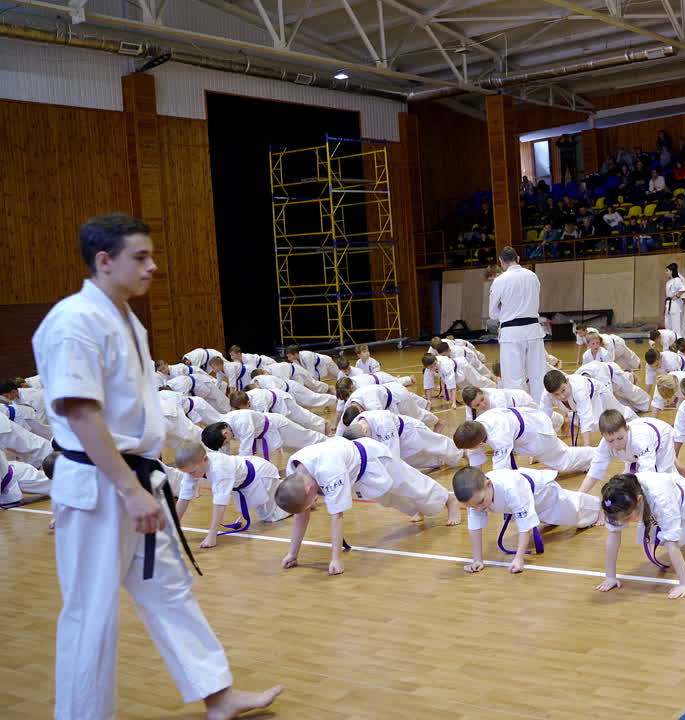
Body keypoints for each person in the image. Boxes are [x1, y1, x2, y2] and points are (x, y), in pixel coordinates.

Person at [32, 213, 282, 719]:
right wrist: (128, 489)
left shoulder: (125, 317)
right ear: (104, 261)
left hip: (139, 477)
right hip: (102, 484)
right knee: (91, 614)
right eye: (140, 257)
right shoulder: (74, 321)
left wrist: (142, 483)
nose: (153, 267)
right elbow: (81, 413)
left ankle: (217, 694)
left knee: (169, 588)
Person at [276, 436, 459, 574]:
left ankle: (449, 501)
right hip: (358, 473)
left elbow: (337, 516)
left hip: (374, 457)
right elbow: (301, 514)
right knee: (391, 500)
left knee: (410, 483)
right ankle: (420, 508)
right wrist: (293, 554)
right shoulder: (295, 469)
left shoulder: (328, 470)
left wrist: (336, 559)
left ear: (309, 490)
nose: (312, 504)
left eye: (310, 501)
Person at [452, 466, 601, 573]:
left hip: (544, 494)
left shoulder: (511, 489)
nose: (478, 509)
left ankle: (598, 505)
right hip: (528, 499)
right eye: (472, 506)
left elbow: (524, 526)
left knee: (576, 515)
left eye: (480, 503)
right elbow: (475, 528)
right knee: (551, 518)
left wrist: (519, 558)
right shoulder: (477, 496)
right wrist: (477, 559)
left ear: (488, 484)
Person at [173, 441, 288, 549]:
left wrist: (212, 535)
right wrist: (172, 529)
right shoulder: (193, 468)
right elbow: (183, 498)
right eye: (187, 473)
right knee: (259, 511)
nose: (190, 475)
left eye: (193, 471)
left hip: (262, 474)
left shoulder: (219, 469)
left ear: (205, 459)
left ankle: (295, 497)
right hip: (243, 478)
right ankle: (281, 487)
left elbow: (219, 504)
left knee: (269, 517)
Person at [454, 407, 593, 474]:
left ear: (478, 444)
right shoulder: (476, 426)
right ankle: (586, 464)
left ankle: (596, 454)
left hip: (537, 433)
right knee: (562, 454)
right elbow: (475, 459)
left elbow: (500, 471)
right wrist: (476, 480)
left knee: (563, 462)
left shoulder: (498, 436)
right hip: (529, 425)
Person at [490, 246, 547, 401]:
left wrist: (506, 309)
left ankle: (521, 413)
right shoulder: (532, 276)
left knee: (513, 378)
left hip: (511, 333)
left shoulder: (499, 280)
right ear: (518, 259)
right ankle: (541, 411)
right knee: (538, 374)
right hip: (533, 330)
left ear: (501, 262)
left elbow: (493, 313)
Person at [581, 410, 685, 494]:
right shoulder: (604, 444)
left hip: (662, 437)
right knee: (626, 481)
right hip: (637, 448)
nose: (617, 444)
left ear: (627, 429)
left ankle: (681, 487)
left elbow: (647, 475)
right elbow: (594, 471)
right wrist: (579, 495)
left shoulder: (640, 440)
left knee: (662, 478)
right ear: (603, 436)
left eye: (620, 438)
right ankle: (676, 464)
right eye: (611, 440)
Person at [663, 262, 685, 339]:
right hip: (669, 304)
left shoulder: (678, 279)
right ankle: (671, 342)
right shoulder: (669, 281)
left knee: (677, 326)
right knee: (668, 324)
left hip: (676, 304)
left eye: (667, 270)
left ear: (671, 271)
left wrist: (678, 297)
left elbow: (683, 290)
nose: (665, 272)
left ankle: (680, 342)